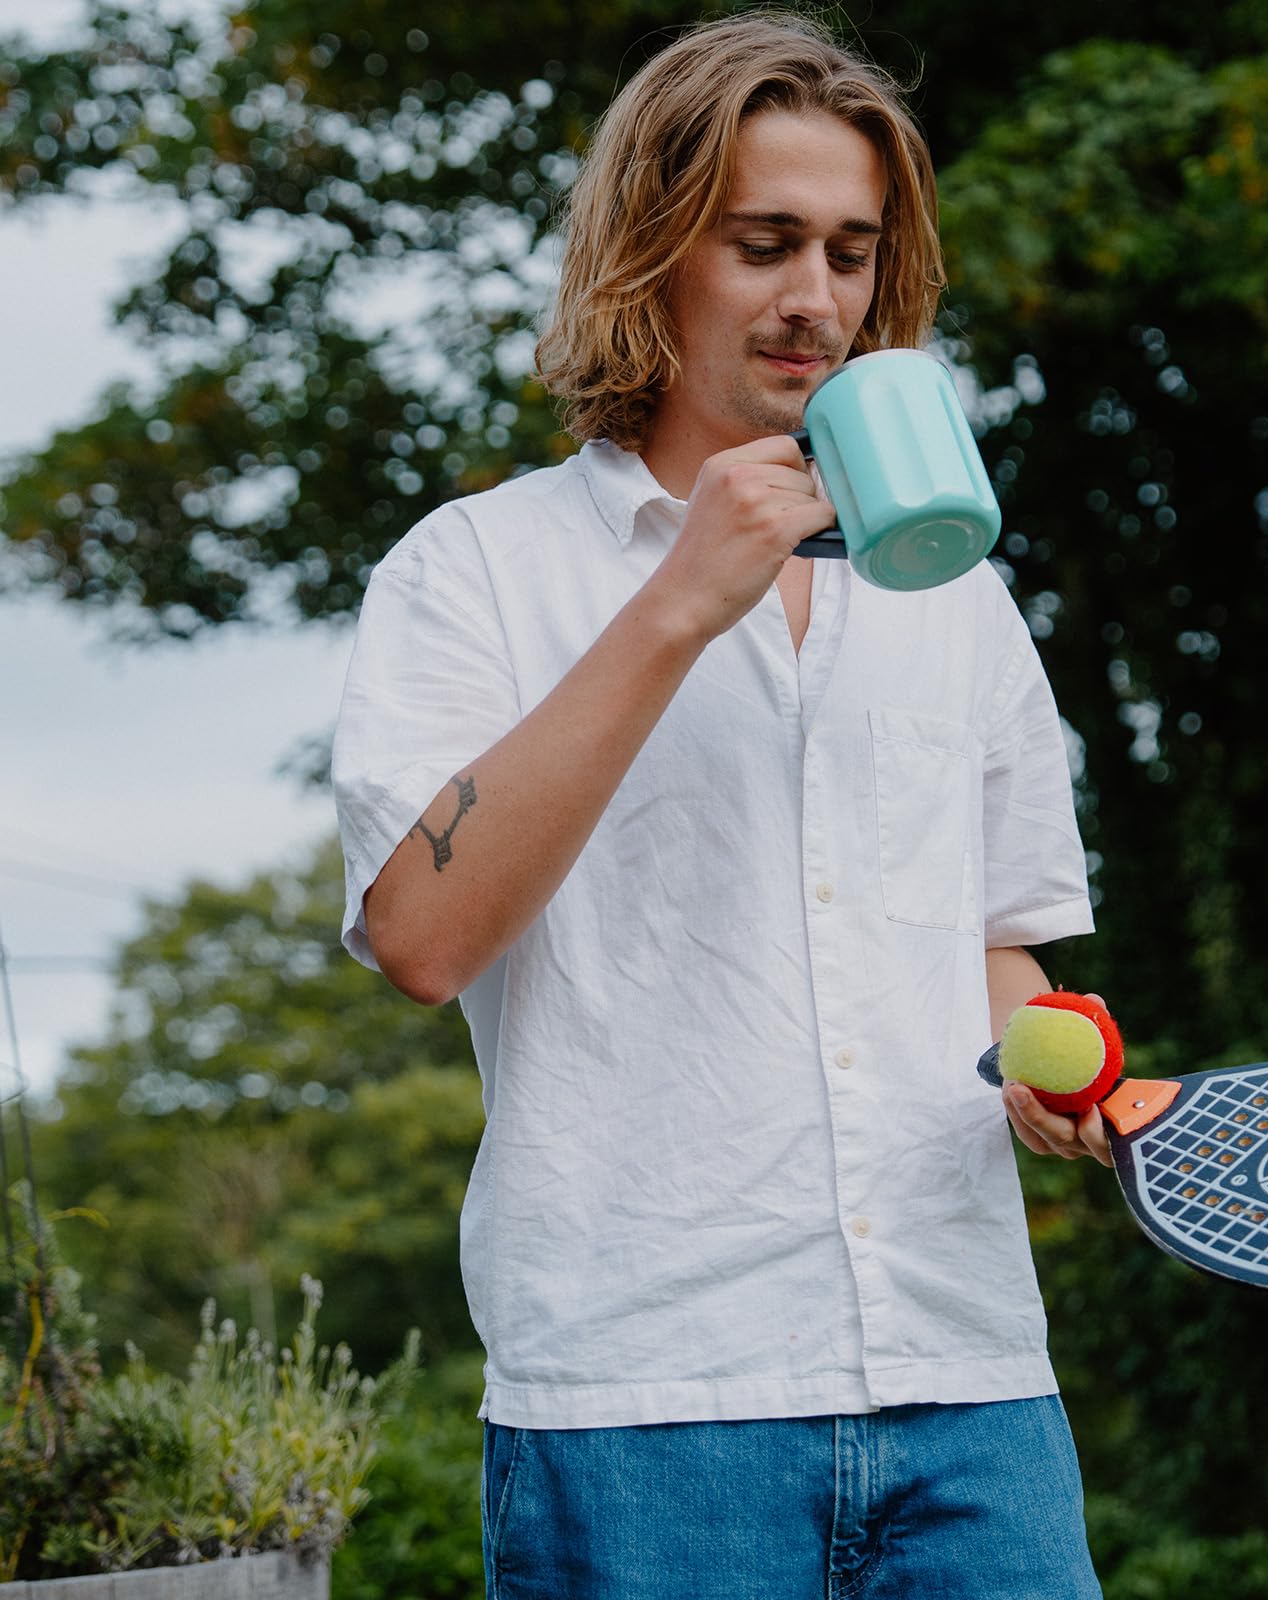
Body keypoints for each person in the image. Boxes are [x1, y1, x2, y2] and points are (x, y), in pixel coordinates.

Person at [333, 12, 1109, 1598]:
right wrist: (680, 601)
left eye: (849, 250)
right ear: (651, 253)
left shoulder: (958, 602)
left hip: (972, 1393)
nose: (815, 299)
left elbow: (997, 946)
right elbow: (419, 935)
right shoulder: (475, 572)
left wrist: (1043, 1070)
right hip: (644, 1412)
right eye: (763, 245)